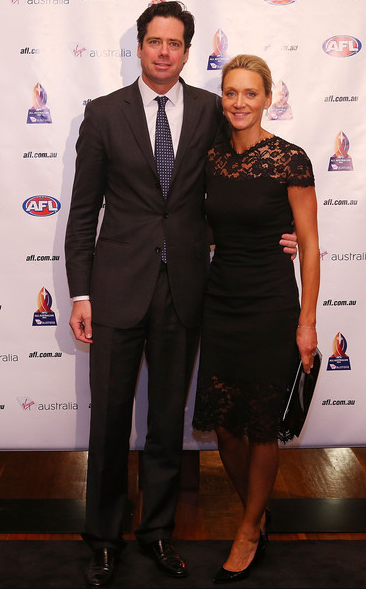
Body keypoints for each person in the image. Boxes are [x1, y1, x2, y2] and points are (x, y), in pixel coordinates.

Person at [64, 3, 298, 586]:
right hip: (116, 290)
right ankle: (103, 539)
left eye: (174, 43)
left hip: (186, 290)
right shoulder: (101, 115)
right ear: (139, 48)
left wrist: (278, 227)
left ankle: (158, 533)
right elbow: (82, 213)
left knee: (167, 422)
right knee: (110, 422)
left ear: (189, 52)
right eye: (153, 41)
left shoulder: (210, 111)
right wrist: (79, 294)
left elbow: (241, 177)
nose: (163, 52)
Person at [192, 54, 320, 584]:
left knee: (262, 426)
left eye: (250, 93)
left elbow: (310, 245)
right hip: (220, 301)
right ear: (221, 98)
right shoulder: (211, 159)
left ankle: (247, 531)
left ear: (268, 98)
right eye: (230, 93)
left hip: (271, 303)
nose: (239, 103)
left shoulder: (290, 159)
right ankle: (257, 513)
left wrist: (307, 322)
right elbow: (206, 227)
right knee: (225, 423)